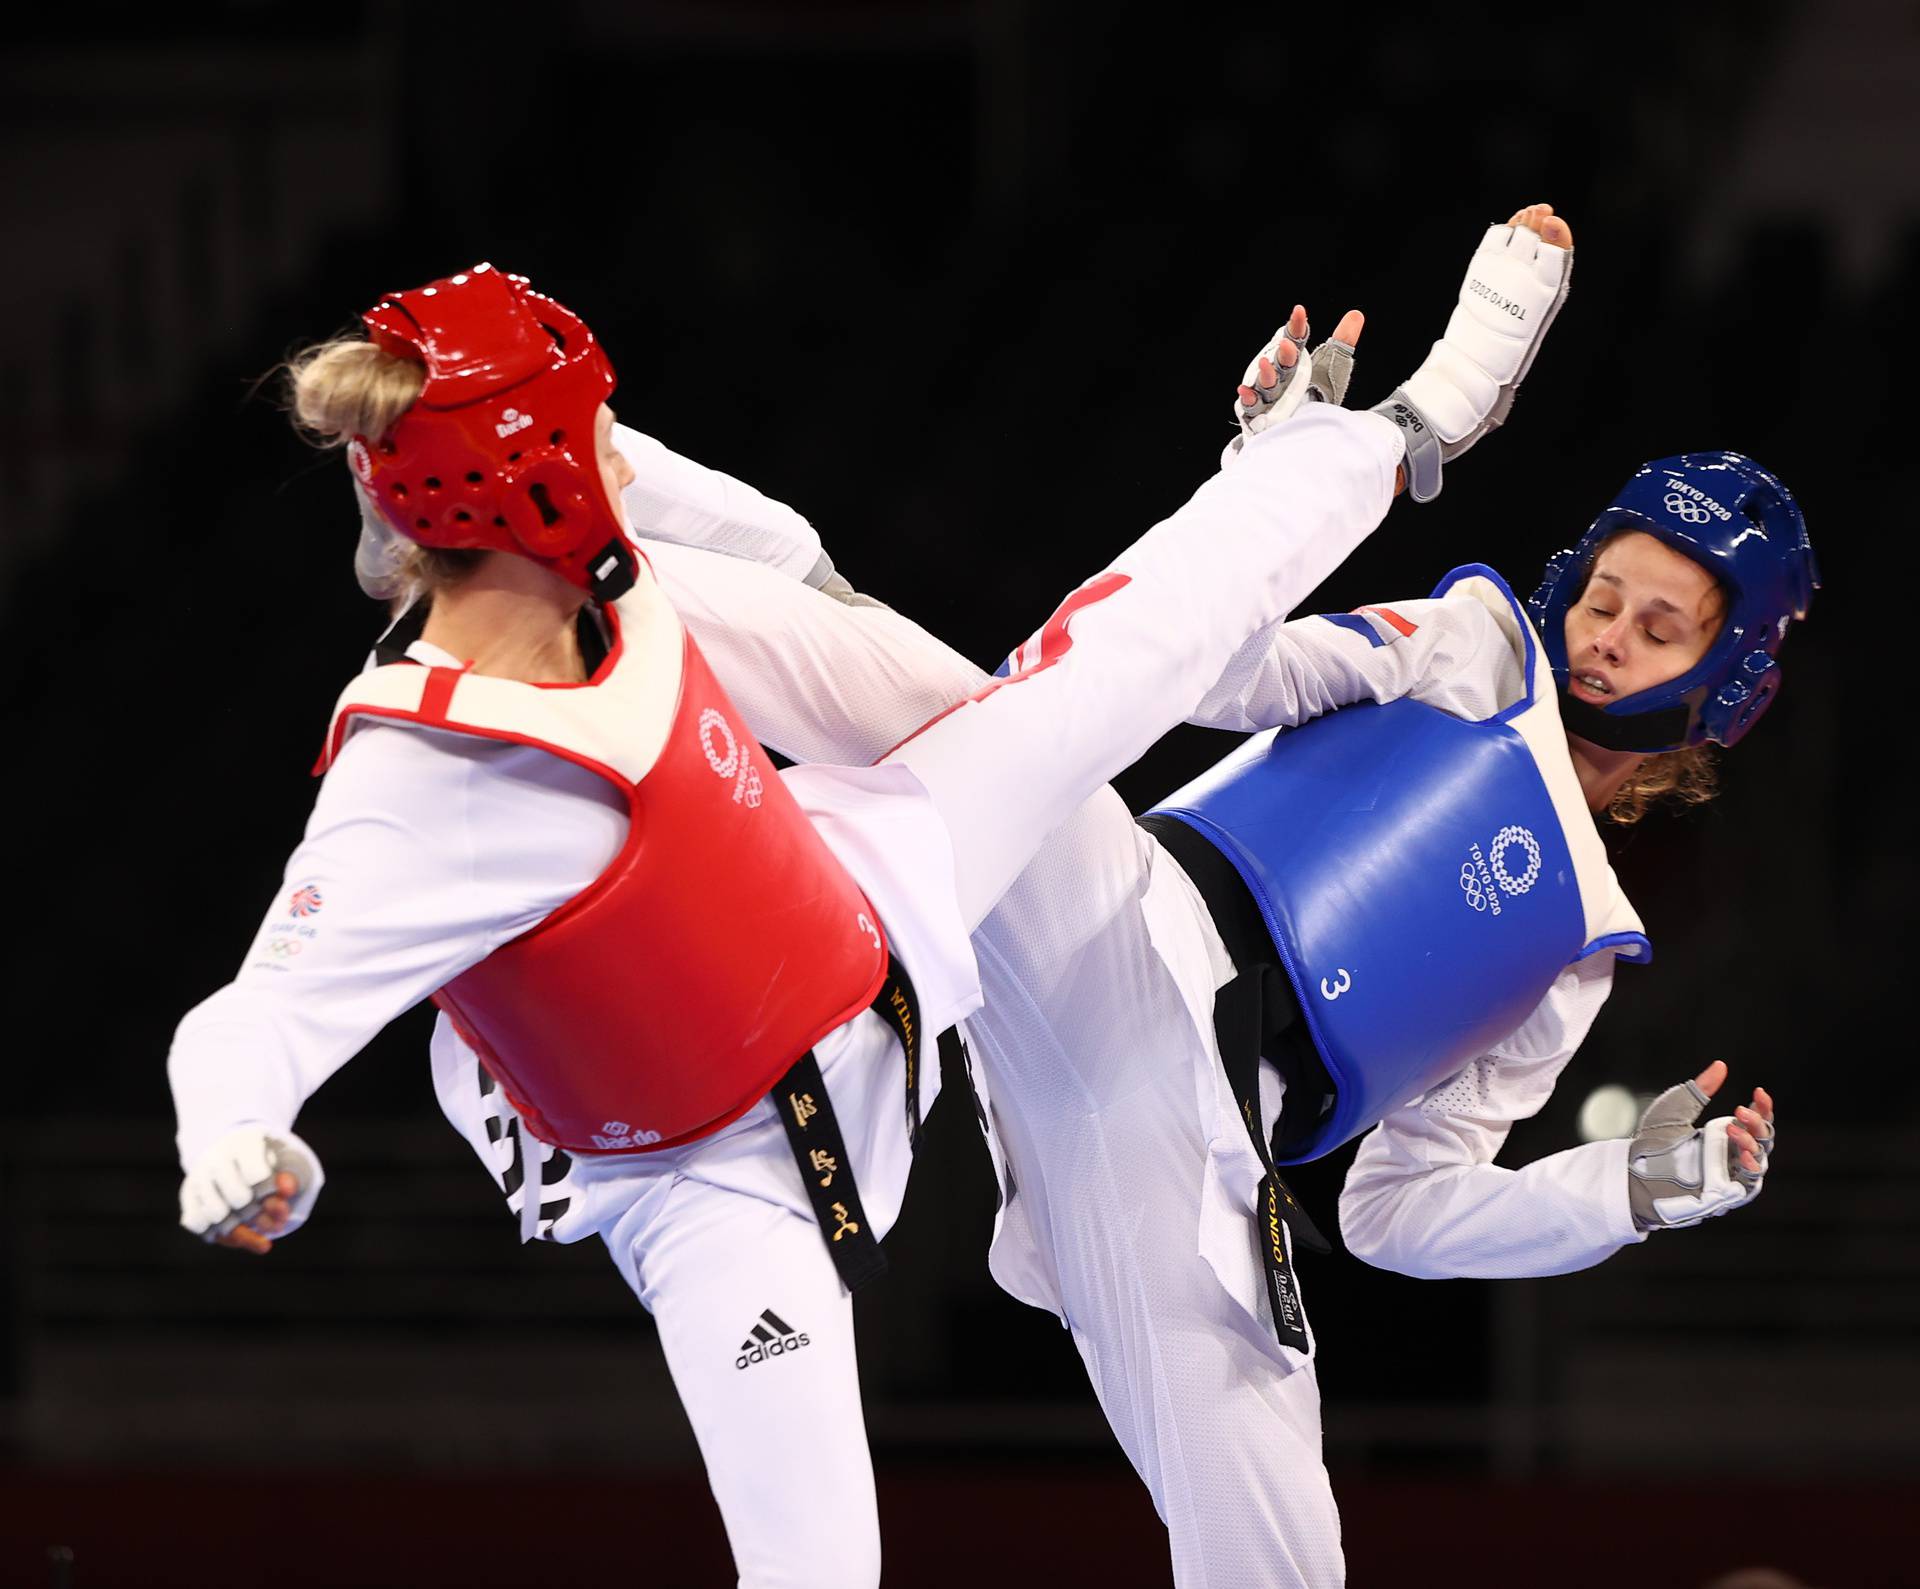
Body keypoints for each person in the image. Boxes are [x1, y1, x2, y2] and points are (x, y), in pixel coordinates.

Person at [167, 219, 1558, 1587]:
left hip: (862, 892)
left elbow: (743, 527)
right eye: (587, 428)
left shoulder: (607, 559)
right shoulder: (427, 775)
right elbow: (259, 1011)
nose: (614, 449)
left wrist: (839, 611)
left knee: (1109, 659)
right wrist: (231, 1136)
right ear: (528, 479)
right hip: (706, 1179)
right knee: (816, 1568)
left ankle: (1405, 426)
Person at [603, 207, 1808, 1585]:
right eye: (1606, 595)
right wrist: (1264, 480)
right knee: (951, 706)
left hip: (1174, 1169)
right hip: (1127, 930)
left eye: (1659, 627)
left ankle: (717, 562)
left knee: (1281, 1566)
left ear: (1724, 691)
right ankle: (567, 533)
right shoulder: (1474, 651)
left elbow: (1396, 1215)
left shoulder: (1575, 961)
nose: (1606, 636)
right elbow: (1214, 673)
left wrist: (1620, 1196)